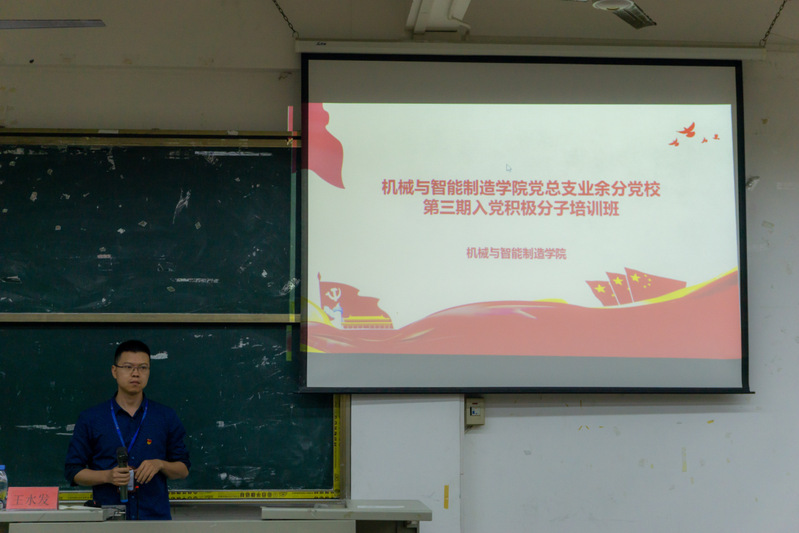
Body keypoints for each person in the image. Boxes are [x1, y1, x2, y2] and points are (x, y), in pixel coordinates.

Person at [65, 339, 190, 520]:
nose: (136, 373)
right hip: (107, 521)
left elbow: (183, 469)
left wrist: (160, 464)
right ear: (114, 371)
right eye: (128, 367)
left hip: (154, 521)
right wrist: (108, 476)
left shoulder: (165, 416)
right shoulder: (91, 418)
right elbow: (73, 471)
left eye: (143, 368)